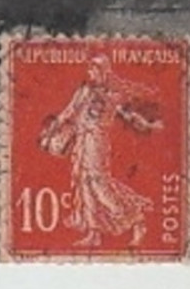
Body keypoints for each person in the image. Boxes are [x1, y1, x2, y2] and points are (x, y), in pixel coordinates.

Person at [39, 55, 162, 247]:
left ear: (103, 71)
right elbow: (68, 113)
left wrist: (149, 125)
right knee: (84, 184)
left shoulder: (113, 94)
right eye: (90, 70)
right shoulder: (84, 91)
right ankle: (93, 233)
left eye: (94, 70)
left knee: (99, 184)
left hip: (97, 142)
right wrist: (50, 132)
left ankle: (136, 220)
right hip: (82, 141)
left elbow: (128, 115)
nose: (90, 73)